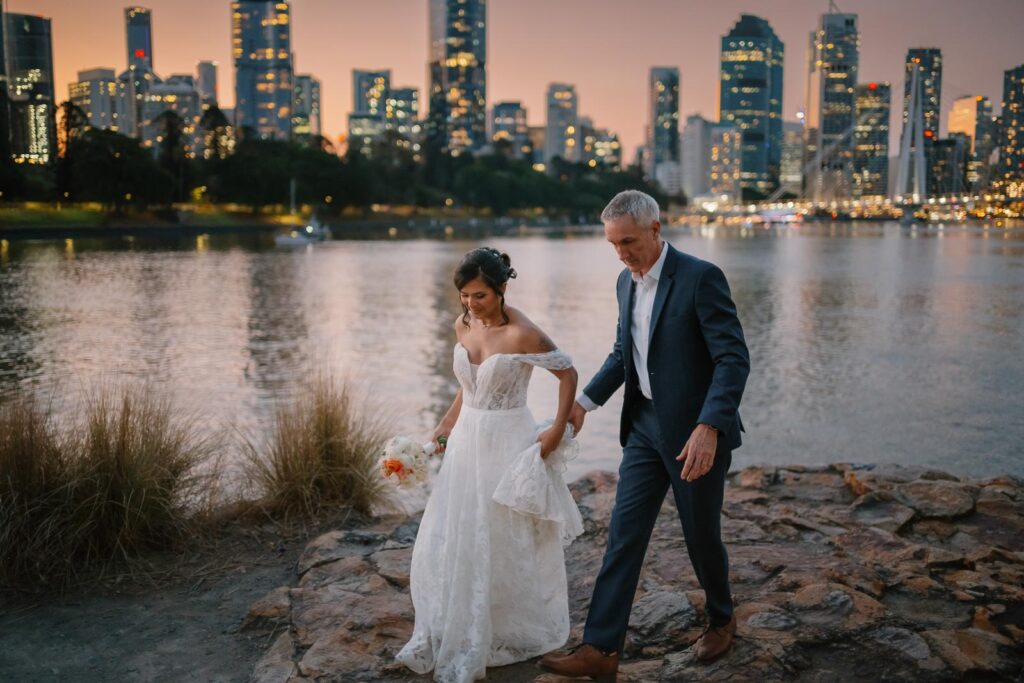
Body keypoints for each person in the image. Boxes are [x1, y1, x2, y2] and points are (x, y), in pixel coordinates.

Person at [540, 190, 750, 681]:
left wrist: (709, 426)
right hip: (643, 428)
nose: (622, 254)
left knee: (701, 537)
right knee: (623, 534)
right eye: (613, 244)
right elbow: (623, 353)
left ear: (656, 230)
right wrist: (583, 403)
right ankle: (601, 649)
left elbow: (733, 358)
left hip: (696, 434)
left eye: (629, 242)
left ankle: (722, 618)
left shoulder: (701, 278)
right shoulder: (624, 282)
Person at [397, 247, 582, 683]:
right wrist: (443, 429)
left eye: (480, 295)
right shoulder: (462, 325)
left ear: (502, 288)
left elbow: (568, 373)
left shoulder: (523, 333)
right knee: (457, 531)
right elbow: (470, 386)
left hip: (507, 439)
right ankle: (463, 619)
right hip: (466, 443)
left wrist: (556, 429)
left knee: (503, 535)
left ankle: (503, 626)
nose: (470, 304)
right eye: (465, 295)